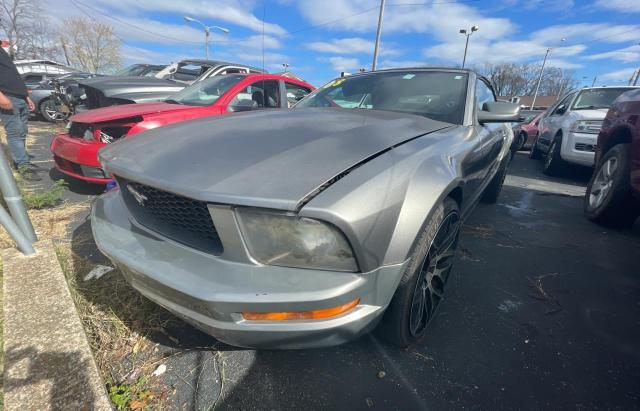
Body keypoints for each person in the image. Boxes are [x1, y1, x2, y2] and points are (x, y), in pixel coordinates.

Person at [0, 46, 36, 173]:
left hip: (20, 97)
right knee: (15, 133)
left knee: (22, 132)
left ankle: (22, 160)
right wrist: (2, 99)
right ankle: (23, 166)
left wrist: (26, 96)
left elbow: (13, 75)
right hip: (8, 97)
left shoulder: (2, 51)